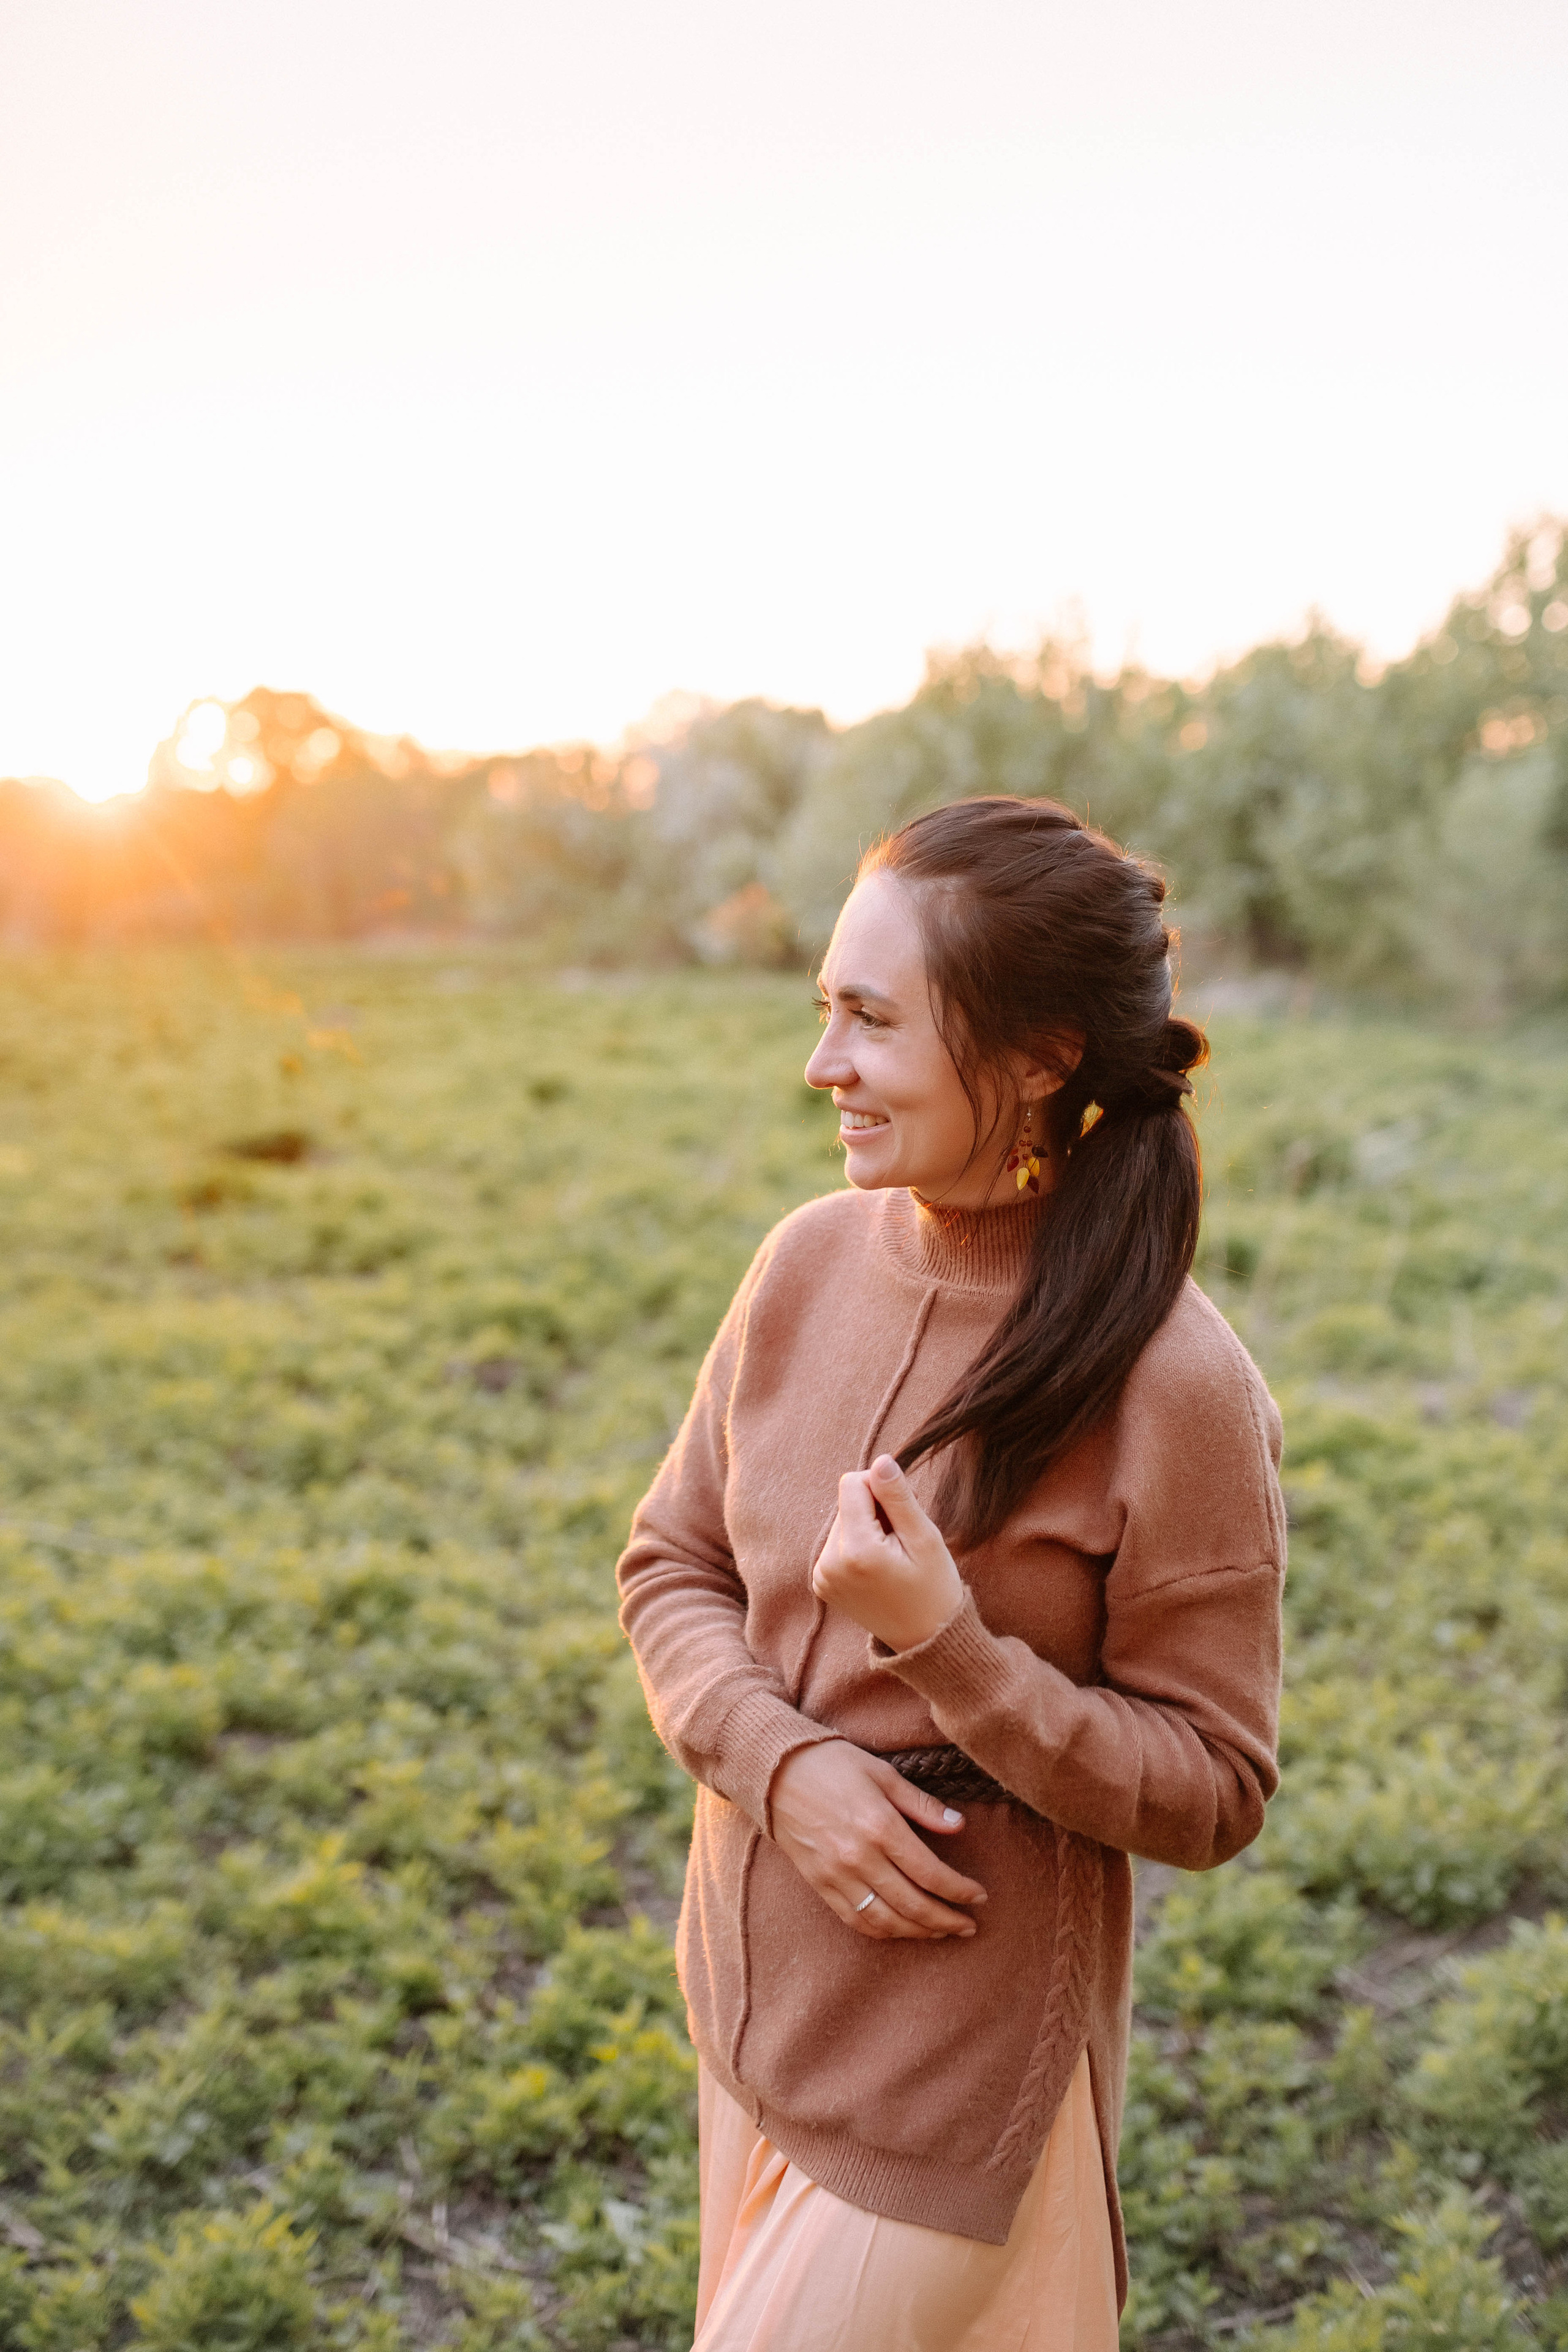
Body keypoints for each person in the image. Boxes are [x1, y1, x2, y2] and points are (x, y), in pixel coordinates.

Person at [617, 796, 1286, 2351]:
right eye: (821, 1012)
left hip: (958, 2092)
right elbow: (671, 1565)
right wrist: (782, 1771)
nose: (819, 1065)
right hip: (748, 2011)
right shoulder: (801, 1262)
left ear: (1040, 1055)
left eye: (869, 1019)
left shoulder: (1174, 1384)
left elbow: (1212, 1791)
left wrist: (952, 1654)